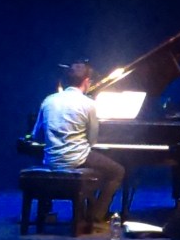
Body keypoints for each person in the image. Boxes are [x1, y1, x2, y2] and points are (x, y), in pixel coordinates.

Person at [31, 61, 125, 227]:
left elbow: (36, 135)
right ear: (87, 81)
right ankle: (96, 215)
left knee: (97, 170)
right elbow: (92, 141)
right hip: (77, 159)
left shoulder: (48, 100)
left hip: (51, 160)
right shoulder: (88, 104)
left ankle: (73, 210)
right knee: (117, 171)